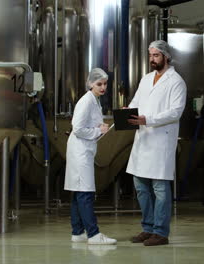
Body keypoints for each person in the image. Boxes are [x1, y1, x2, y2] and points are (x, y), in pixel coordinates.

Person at [126, 40, 187, 246]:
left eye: (156, 56)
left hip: (161, 140)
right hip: (143, 139)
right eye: (150, 56)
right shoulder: (146, 79)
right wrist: (128, 111)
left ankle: (161, 232)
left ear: (166, 56)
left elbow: (175, 112)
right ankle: (148, 227)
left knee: (160, 188)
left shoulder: (176, 81)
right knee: (141, 187)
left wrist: (148, 120)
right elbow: (136, 102)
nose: (152, 59)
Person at [64, 68, 117, 245]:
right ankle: (93, 235)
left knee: (78, 192)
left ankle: (78, 232)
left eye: (105, 84)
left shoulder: (95, 100)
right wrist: (97, 130)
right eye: (99, 84)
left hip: (82, 150)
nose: (103, 87)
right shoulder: (86, 101)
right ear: (90, 84)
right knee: (85, 193)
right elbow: (77, 128)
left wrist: (100, 128)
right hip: (80, 151)